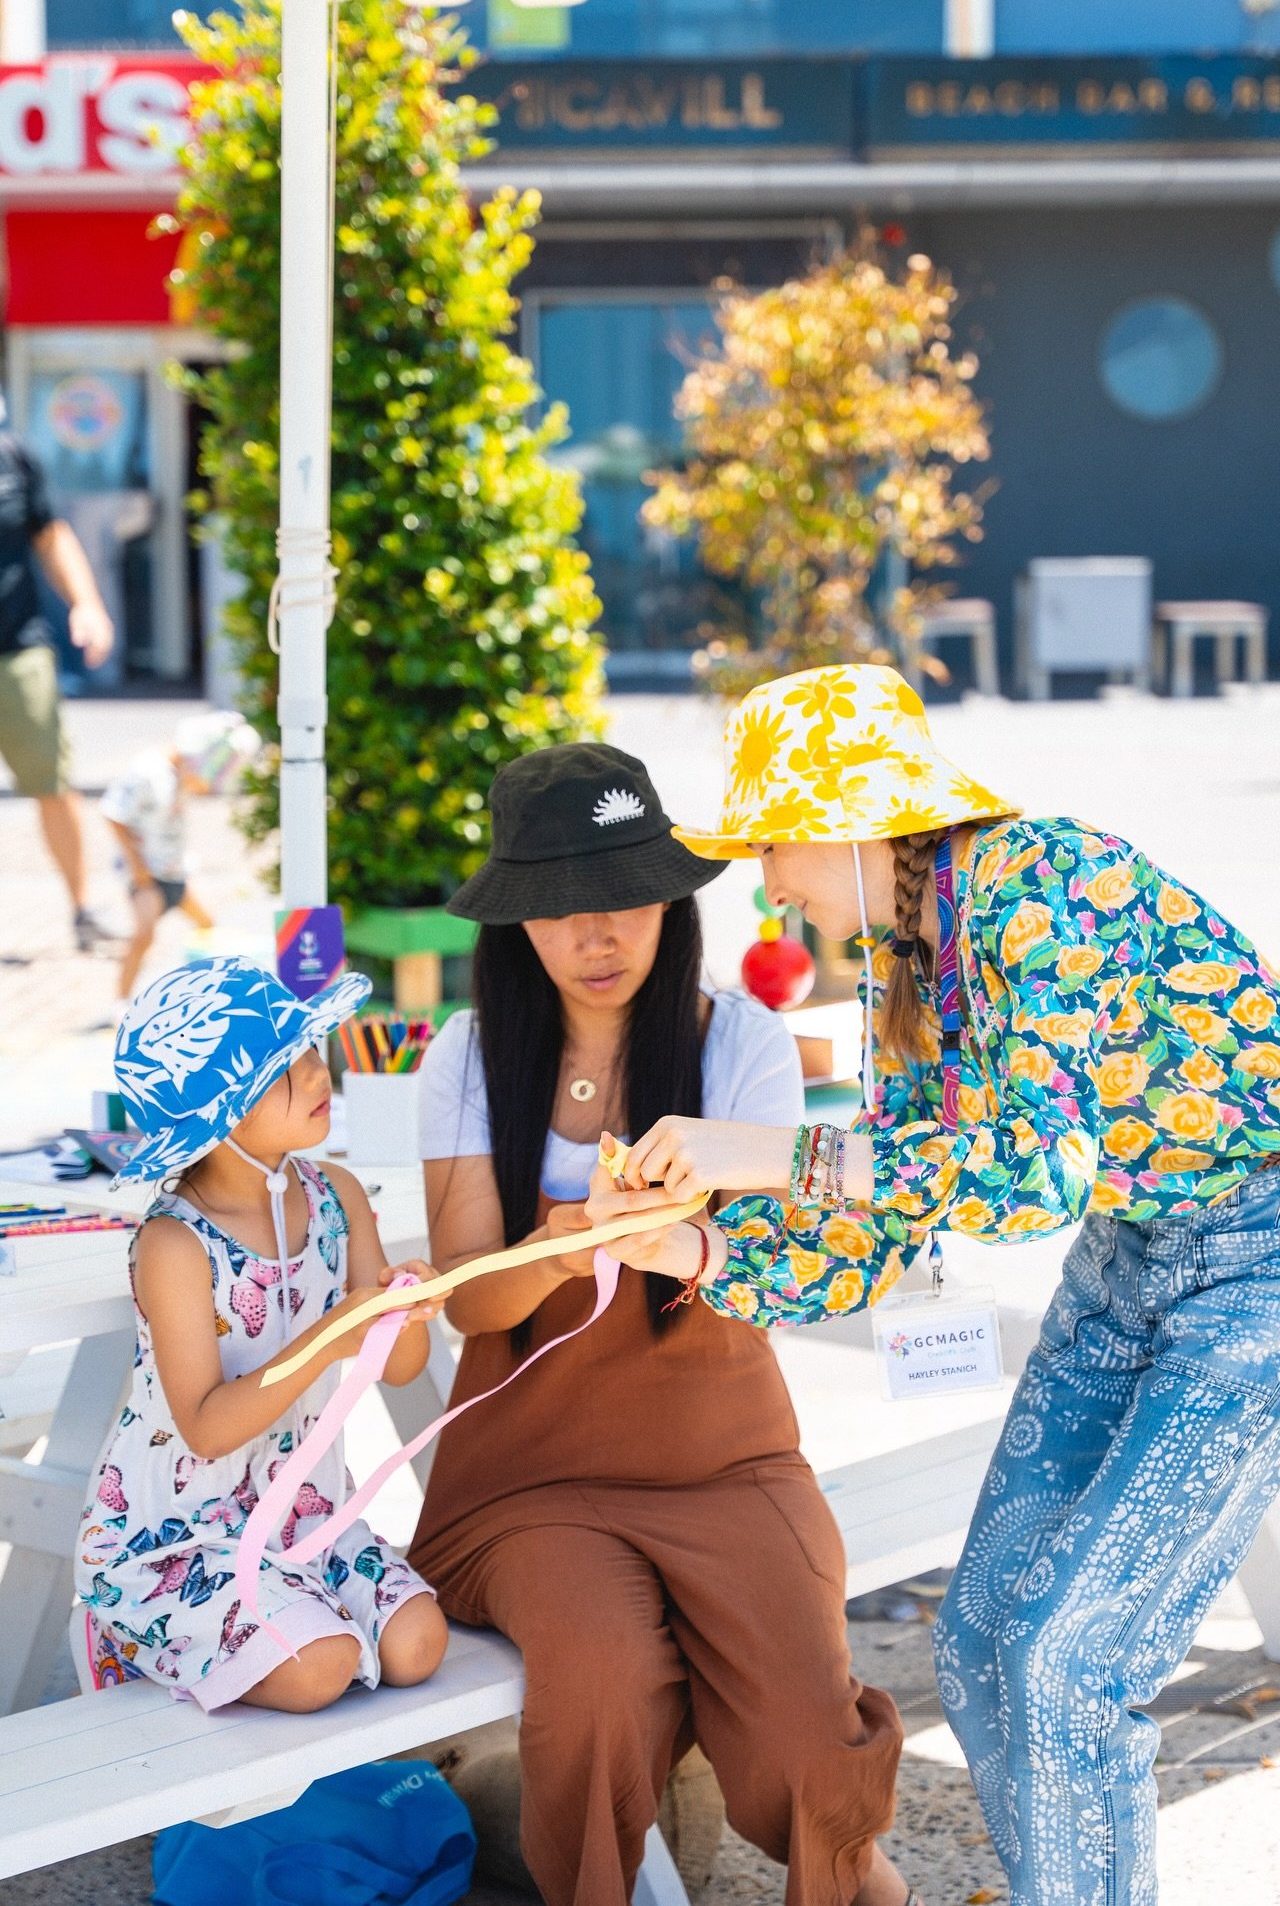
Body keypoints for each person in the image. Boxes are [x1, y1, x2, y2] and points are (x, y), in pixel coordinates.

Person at [587, 663, 1280, 1906]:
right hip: (1139, 1248)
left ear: (852, 816)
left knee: (1068, 1659)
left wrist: (766, 1149)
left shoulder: (1039, 885)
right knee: (978, 1642)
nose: (770, 883)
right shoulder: (902, 951)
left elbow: (1035, 1175)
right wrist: (696, 1251)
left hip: (1278, 1241)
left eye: (776, 845)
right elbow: (888, 1213)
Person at [406, 743, 915, 1906]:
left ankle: (861, 1879)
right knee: (593, 1682)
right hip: (530, 1477)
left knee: (804, 1740)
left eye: (629, 897)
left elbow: (778, 1260)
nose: (601, 935)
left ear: (673, 898)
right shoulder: (470, 1056)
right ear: (516, 919)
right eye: (563, 907)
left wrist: (678, 1226)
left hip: (724, 1456)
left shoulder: (740, 1044)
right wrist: (579, 1230)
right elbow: (471, 1299)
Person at [76, 956, 449, 1713]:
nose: (320, 1073)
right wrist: (335, 1335)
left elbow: (403, 1369)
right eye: (288, 1066)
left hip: (305, 1513)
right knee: (320, 1667)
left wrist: (404, 1310)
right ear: (217, 1111)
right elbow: (207, 1430)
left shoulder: (337, 1196)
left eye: (313, 1051)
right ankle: (126, 1630)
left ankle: (278, 1615)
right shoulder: (174, 1244)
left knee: (418, 1643)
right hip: (180, 1536)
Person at [0, 415, 119, 951]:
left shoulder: (13, 455)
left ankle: (83, 909)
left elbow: (51, 535)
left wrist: (88, 604)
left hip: (18, 647)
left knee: (52, 781)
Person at [101, 708, 261, 1003]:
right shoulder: (147, 771)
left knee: (209, 927)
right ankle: (121, 1003)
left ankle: (202, 995)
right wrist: (139, 869)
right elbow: (114, 813)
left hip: (176, 869)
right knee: (144, 935)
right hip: (147, 872)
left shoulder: (179, 773)